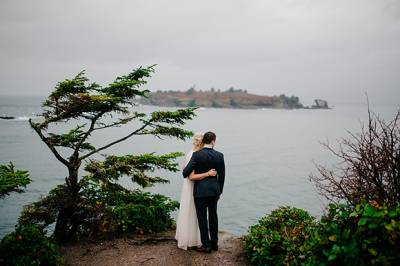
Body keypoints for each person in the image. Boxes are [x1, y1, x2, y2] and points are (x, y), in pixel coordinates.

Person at [183, 131, 225, 253]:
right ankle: (214, 244)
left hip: (200, 192)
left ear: (204, 141)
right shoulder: (220, 155)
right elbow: (222, 177)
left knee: (202, 218)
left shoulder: (197, 155)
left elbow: (185, 173)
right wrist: (219, 192)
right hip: (214, 191)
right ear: (213, 141)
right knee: (213, 217)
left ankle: (206, 245)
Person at [175, 133, 217, 250]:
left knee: (195, 214)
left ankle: (194, 238)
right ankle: (194, 240)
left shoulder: (193, 153)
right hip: (193, 186)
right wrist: (208, 174)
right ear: (202, 142)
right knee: (195, 213)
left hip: (196, 187)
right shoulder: (194, 154)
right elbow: (190, 176)